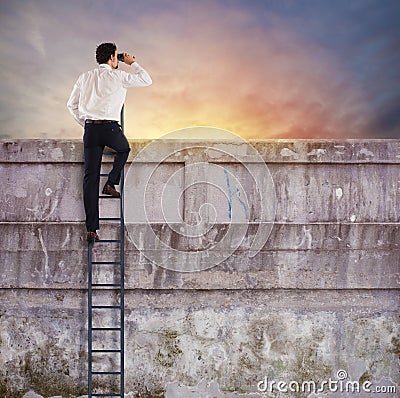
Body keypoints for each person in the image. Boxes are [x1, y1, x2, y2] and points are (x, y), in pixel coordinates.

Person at [67, 42, 152, 243]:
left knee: (90, 177)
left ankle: (91, 229)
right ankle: (111, 182)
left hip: (91, 130)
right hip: (110, 128)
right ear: (113, 58)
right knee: (124, 149)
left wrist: (85, 122)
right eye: (117, 57)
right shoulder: (119, 76)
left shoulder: (85, 77)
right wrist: (132, 63)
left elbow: (71, 105)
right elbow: (146, 80)